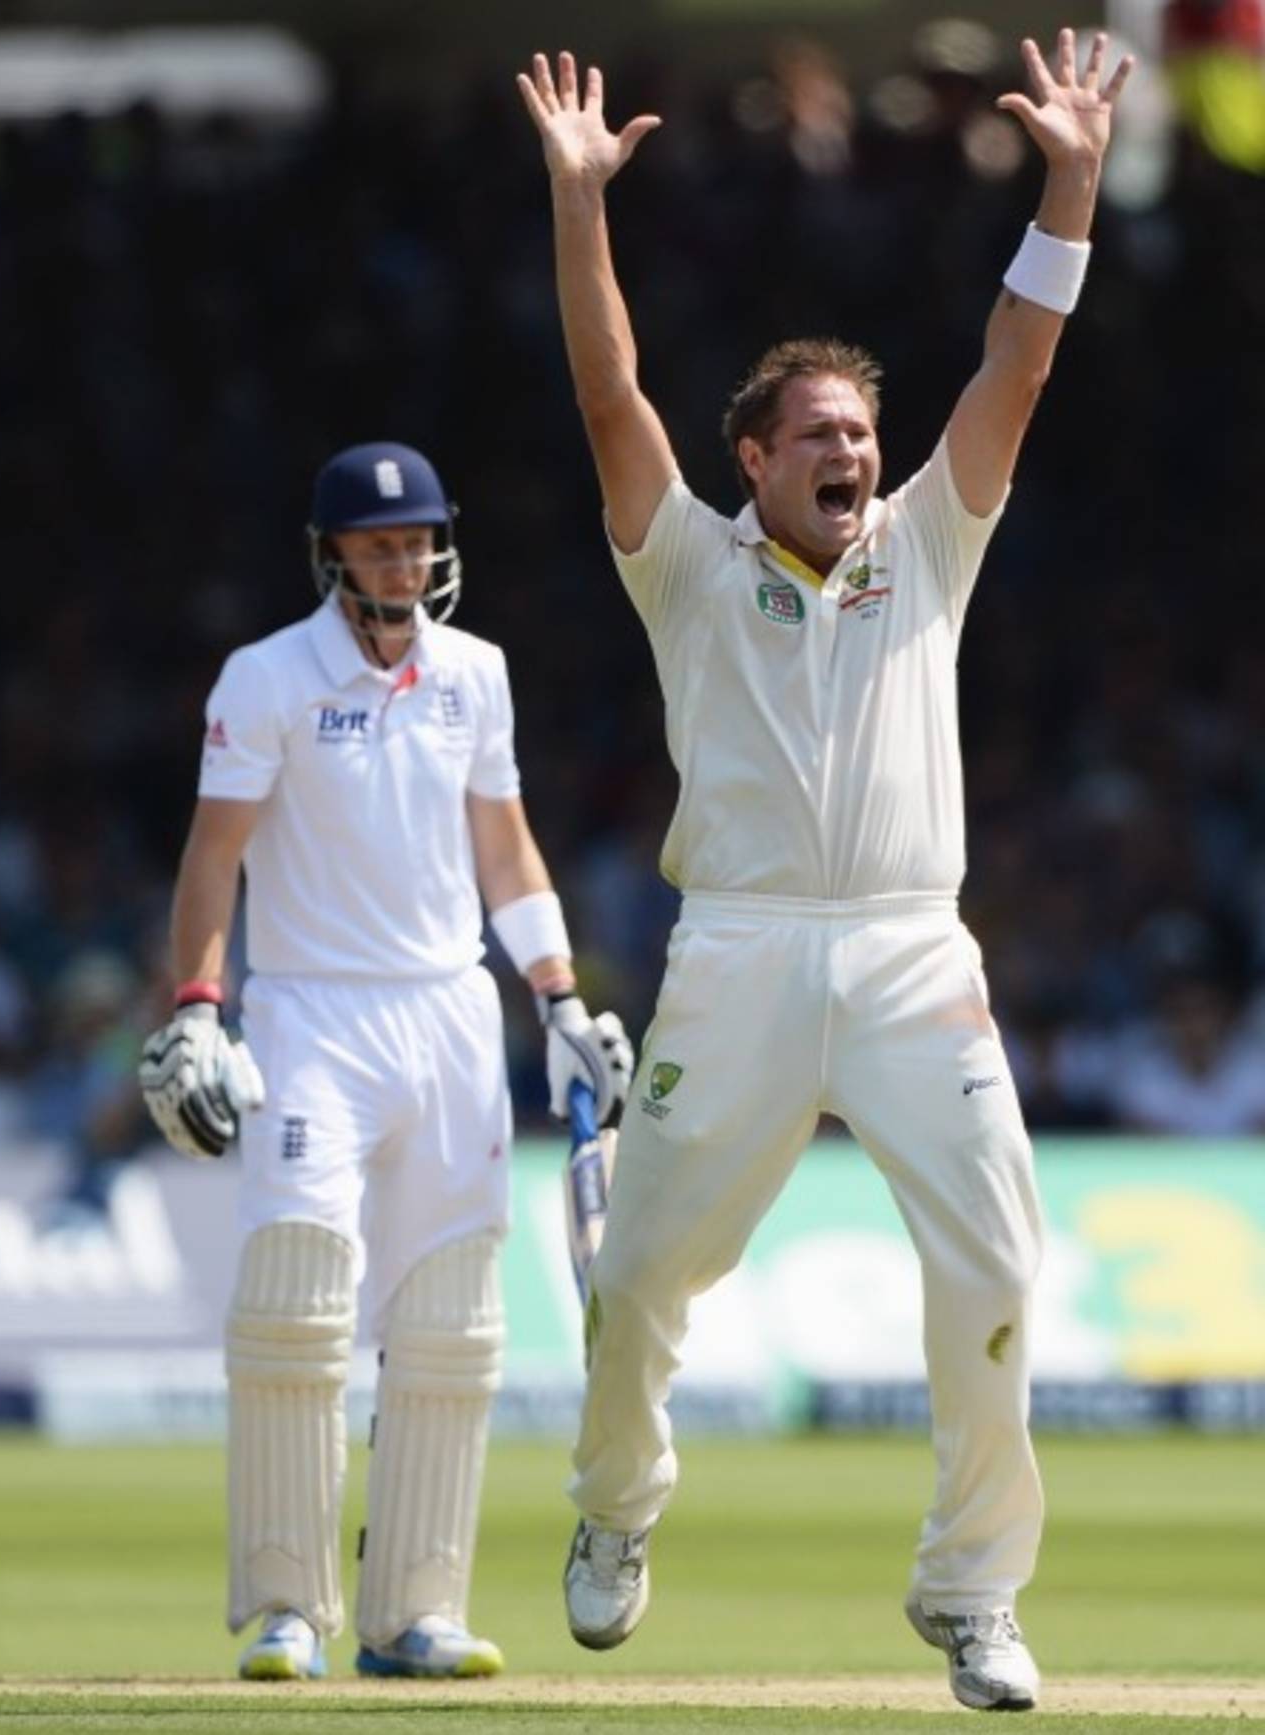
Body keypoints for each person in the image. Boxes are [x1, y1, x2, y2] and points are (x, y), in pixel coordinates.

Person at [518, 30, 1131, 1713]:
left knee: (1000, 1262)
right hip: (737, 953)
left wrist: (1071, 183)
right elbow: (605, 393)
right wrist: (583, 211)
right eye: (820, 437)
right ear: (757, 462)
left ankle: (973, 1594)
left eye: (864, 429)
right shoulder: (693, 576)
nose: (854, 453)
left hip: (912, 952)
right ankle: (615, 1516)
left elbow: (1018, 357)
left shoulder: (929, 541)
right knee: (642, 1277)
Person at [139, 441, 634, 1683]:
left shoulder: (476, 674)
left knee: (452, 1320)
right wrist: (199, 1006)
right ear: (332, 555)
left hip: (450, 1017)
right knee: (296, 1303)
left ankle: (413, 1610)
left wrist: (558, 996)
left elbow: (505, 851)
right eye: (378, 544)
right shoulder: (266, 679)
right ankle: (287, 1610)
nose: (403, 561)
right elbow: (212, 856)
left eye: (416, 539)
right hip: (311, 1016)